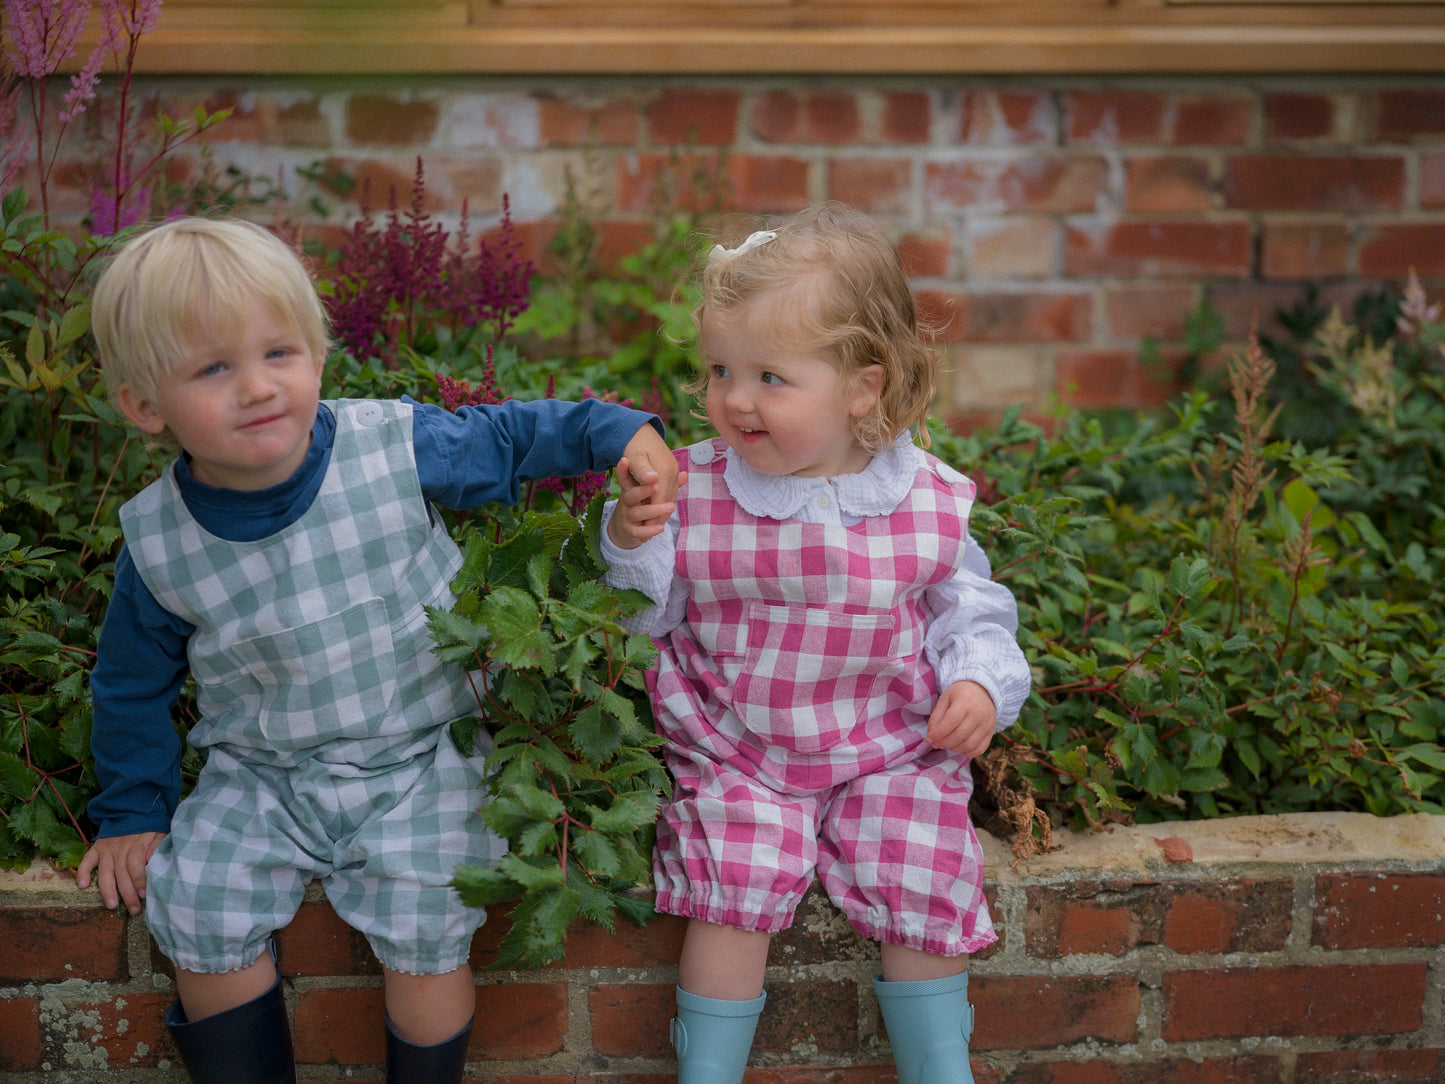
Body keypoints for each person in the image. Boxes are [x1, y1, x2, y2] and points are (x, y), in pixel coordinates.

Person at [74, 216, 679, 1084]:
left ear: (318, 354)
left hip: (423, 753)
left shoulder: (389, 448)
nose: (256, 387)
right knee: (198, 902)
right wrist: (135, 808)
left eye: (278, 353)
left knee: (427, 915)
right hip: (261, 770)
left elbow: (506, 442)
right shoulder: (160, 540)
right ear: (144, 405)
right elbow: (131, 684)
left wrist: (613, 432)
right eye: (213, 369)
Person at [601, 203, 1032, 1084]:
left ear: (860, 389)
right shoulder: (699, 489)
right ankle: (708, 1068)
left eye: (769, 377)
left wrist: (980, 685)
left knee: (922, 868)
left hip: (887, 745)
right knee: (731, 884)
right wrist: (629, 542)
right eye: (720, 369)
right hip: (740, 747)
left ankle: (938, 1065)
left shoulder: (921, 497)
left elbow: (973, 609)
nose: (734, 398)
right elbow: (638, 619)